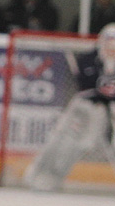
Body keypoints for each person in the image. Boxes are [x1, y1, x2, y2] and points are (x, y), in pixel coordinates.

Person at [24, 23, 115, 191]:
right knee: (66, 141)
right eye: (110, 40)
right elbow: (88, 85)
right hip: (87, 108)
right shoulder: (88, 59)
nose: (112, 46)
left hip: (110, 110)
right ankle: (42, 176)